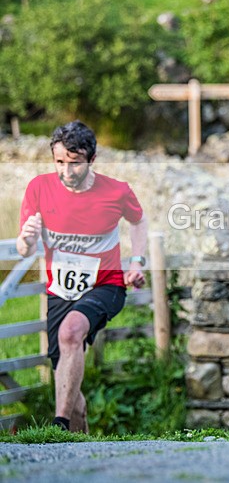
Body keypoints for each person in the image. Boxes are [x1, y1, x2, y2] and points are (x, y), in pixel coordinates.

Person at [17, 121, 148, 433]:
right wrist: (26, 237)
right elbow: (24, 249)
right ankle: (79, 440)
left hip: (106, 285)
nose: (66, 172)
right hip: (61, 291)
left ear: (92, 160)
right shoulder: (39, 188)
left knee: (71, 333)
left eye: (74, 164)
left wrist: (137, 262)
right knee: (64, 369)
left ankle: (58, 426)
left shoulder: (116, 191)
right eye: (59, 162)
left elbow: (139, 222)